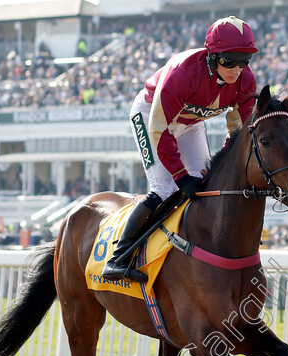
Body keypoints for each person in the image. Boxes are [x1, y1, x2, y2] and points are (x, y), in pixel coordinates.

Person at [102, 16, 258, 282]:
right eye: (228, 61)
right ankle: (118, 258)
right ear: (211, 56)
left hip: (190, 122)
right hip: (152, 116)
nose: (236, 69)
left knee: (205, 187)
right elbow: (160, 130)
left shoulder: (245, 81)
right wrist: (180, 175)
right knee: (165, 189)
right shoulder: (183, 73)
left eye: (244, 61)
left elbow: (239, 132)